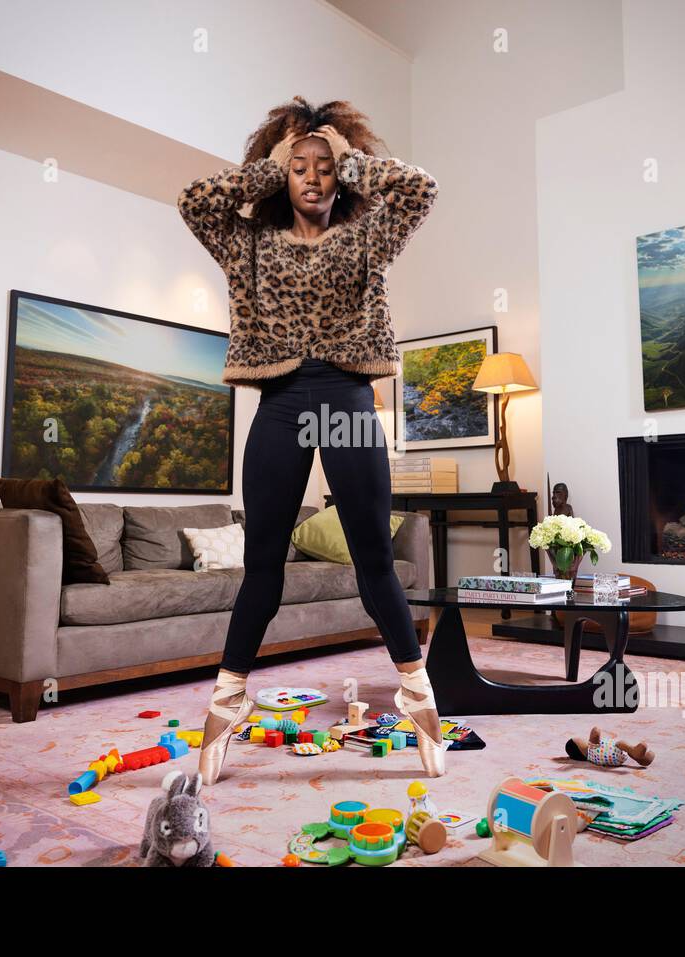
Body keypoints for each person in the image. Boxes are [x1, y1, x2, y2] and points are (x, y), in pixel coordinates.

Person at [176, 96, 444, 784]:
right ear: (280, 174)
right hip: (281, 402)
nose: (314, 177)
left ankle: (419, 695)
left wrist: (352, 159)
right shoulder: (250, 244)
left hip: (350, 399)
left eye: (326, 166)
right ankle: (227, 702)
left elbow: (420, 189)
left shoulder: (366, 237)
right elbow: (195, 202)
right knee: (261, 565)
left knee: (373, 562)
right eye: (300, 166)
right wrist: (265, 167)